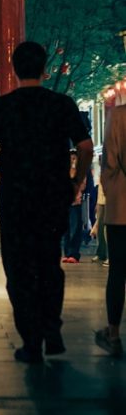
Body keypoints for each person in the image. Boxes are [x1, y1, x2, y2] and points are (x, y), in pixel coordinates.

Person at [0, 41, 93, 363]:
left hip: (15, 199)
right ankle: (52, 330)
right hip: (52, 196)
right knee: (48, 264)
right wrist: (76, 181)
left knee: (19, 269)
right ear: (45, 69)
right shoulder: (62, 104)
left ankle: (31, 341)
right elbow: (84, 146)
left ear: (13, 70)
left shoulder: (2, 107)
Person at [94, 104, 126, 357]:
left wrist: (109, 188)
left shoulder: (118, 115)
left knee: (118, 271)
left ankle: (113, 333)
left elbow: (110, 162)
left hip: (121, 208)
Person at [62, 151, 85, 263]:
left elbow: (82, 184)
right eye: (70, 158)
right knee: (66, 229)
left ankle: (74, 254)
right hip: (65, 203)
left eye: (74, 158)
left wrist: (74, 167)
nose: (72, 160)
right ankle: (67, 253)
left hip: (75, 202)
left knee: (75, 229)